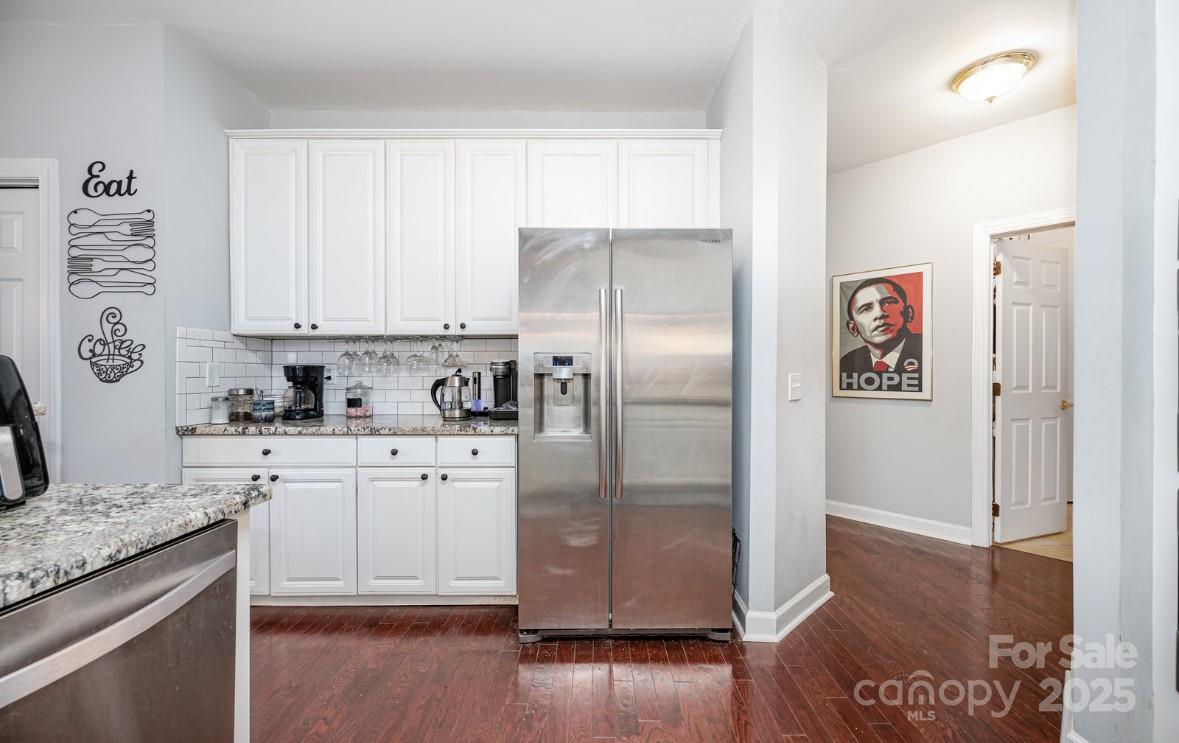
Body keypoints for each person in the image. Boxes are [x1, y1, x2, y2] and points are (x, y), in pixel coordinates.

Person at [838, 277, 923, 391]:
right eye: (866, 309)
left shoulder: (925, 351)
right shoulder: (847, 362)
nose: (880, 313)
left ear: (908, 313)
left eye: (889, 302)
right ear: (853, 328)